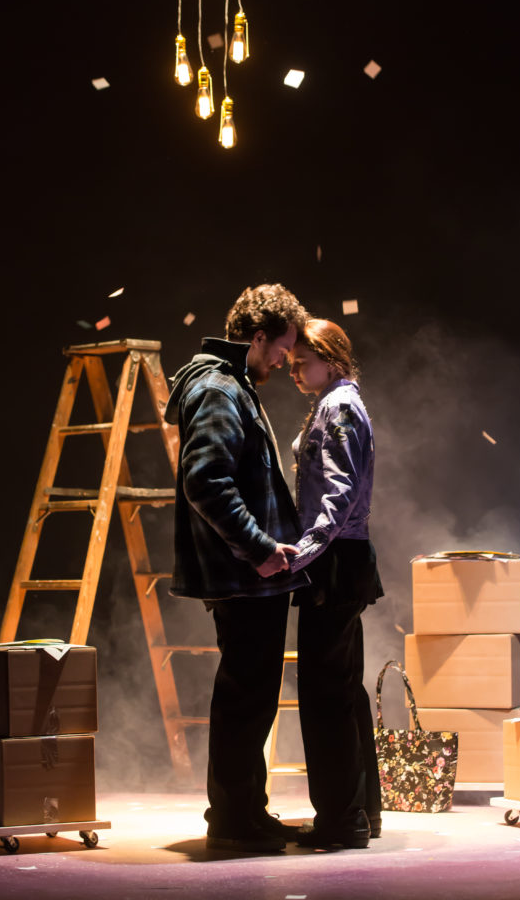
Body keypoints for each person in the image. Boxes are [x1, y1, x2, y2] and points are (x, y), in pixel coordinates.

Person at [164, 283, 310, 853]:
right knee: (246, 697)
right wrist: (260, 548)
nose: (284, 361)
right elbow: (204, 480)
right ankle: (231, 818)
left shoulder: (228, 384)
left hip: (247, 575)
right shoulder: (221, 388)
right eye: (282, 349)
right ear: (258, 337)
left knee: (251, 695)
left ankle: (246, 809)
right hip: (245, 575)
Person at [287, 318, 384, 850]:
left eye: (302, 362)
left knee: (325, 692)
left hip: (334, 559)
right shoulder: (338, 402)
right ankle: (361, 812)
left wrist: (303, 552)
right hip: (341, 557)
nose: (294, 371)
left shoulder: (339, 406)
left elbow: (339, 493)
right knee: (343, 689)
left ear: (331, 358)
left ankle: (342, 819)